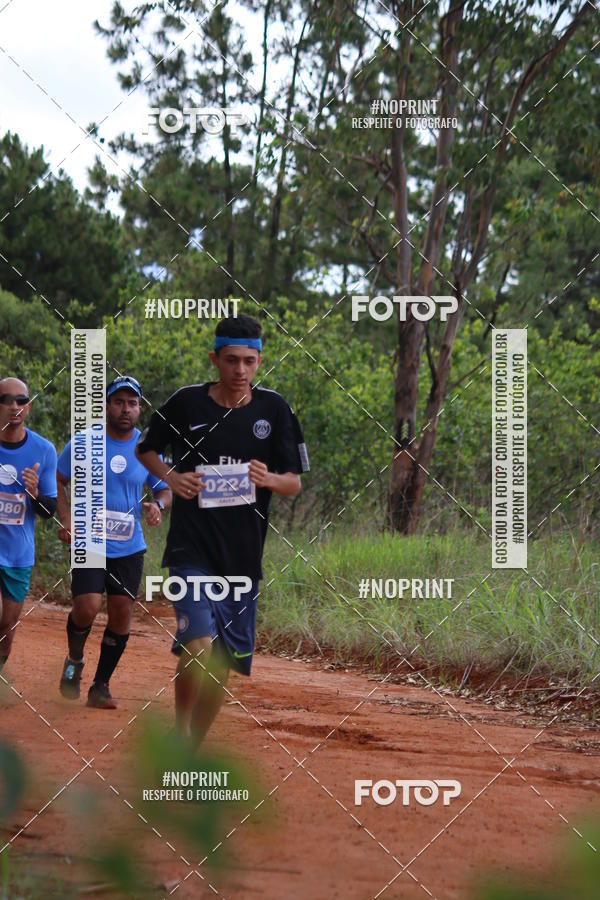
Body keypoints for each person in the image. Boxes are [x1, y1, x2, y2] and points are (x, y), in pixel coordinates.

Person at [136, 314, 310, 746]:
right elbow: (147, 449)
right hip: (191, 551)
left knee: (221, 664)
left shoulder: (276, 410)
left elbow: (294, 482)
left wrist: (267, 478)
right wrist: (173, 478)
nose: (240, 370)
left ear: (259, 361)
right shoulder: (185, 404)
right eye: (231, 360)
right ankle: (178, 732)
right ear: (214, 359)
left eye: (249, 361)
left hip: (242, 559)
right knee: (197, 645)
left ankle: (193, 744)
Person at [57, 375, 172, 709]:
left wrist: (159, 505)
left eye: (132, 403)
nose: (126, 409)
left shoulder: (146, 449)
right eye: (119, 402)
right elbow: (59, 478)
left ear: (139, 409)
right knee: (88, 607)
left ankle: (100, 686)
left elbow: (165, 487)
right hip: (89, 542)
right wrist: (66, 518)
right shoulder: (83, 442)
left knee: (122, 616)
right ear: (107, 405)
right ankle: (74, 661)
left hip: (129, 547)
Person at [0, 377, 58, 670]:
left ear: (29, 407)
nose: (14, 406)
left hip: (18, 554)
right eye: (7, 400)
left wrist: (34, 494)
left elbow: (50, 510)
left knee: (6, 626)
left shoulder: (43, 450)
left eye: (21, 401)